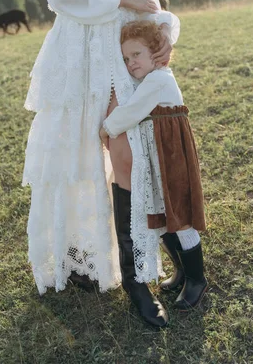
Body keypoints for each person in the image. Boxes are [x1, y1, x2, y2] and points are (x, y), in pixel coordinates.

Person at [23, 0, 180, 328]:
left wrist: (161, 35)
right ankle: (80, 258)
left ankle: (138, 281)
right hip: (75, 53)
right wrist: (119, 0)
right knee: (73, 157)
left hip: (121, 55)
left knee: (127, 157)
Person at [100, 20, 208, 312]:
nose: (130, 62)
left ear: (155, 54)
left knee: (181, 218)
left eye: (136, 55)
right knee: (164, 217)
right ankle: (183, 271)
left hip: (172, 156)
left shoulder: (159, 79)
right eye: (126, 58)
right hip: (160, 159)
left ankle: (197, 280)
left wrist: (106, 127)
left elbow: (132, 111)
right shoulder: (149, 79)